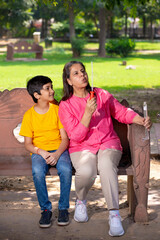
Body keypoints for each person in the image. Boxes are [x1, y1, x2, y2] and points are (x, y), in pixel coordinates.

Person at [58, 61, 152, 237]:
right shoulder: (66, 105)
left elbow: (121, 112)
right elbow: (76, 137)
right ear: (69, 81)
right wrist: (87, 114)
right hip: (81, 147)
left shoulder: (100, 94)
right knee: (86, 171)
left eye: (83, 71)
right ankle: (81, 201)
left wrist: (139, 119)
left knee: (107, 166)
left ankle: (114, 214)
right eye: (76, 73)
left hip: (108, 142)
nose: (82, 75)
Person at [20, 75, 72, 228]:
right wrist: (41, 152)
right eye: (47, 88)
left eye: (51, 87)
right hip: (39, 151)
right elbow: (28, 144)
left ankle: (63, 209)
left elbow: (65, 139)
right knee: (37, 171)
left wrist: (56, 154)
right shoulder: (29, 115)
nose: (52, 91)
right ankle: (45, 209)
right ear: (37, 95)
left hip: (59, 149)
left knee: (66, 169)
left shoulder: (57, 110)